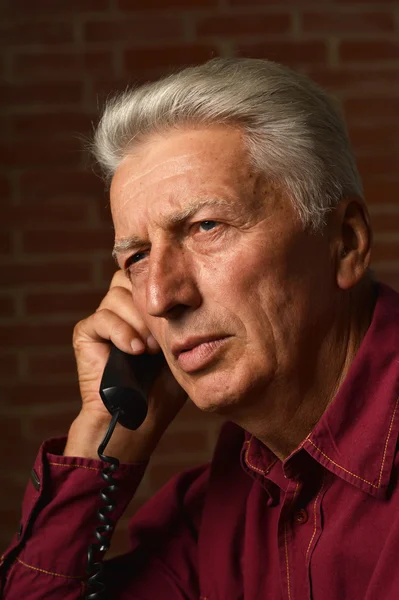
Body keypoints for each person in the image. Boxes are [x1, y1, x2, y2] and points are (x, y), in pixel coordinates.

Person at [0, 56, 398, 600]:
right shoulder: (215, 510)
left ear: (346, 242)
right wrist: (104, 433)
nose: (162, 297)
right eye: (137, 257)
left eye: (206, 226)